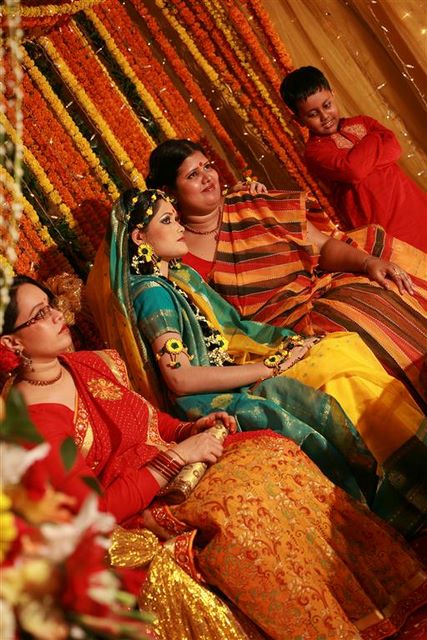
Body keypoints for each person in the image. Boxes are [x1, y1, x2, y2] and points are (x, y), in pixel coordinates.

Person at [2, 275, 427, 640]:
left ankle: (361, 601)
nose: (56, 315)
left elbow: (149, 420)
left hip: (175, 469)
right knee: (239, 507)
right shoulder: (33, 421)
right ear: (10, 342)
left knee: (274, 453)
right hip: (133, 512)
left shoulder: (84, 364)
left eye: (50, 305)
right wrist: (175, 458)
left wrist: (190, 430)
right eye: (40, 314)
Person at [88, 188, 427, 538]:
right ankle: (394, 501)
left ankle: (408, 482)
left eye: (176, 218)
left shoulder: (176, 279)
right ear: (139, 237)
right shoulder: (152, 293)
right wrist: (270, 368)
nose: (179, 227)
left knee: (335, 349)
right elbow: (181, 379)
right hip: (210, 401)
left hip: (232, 374)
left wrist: (281, 352)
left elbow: (232, 332)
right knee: (322, 380)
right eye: (167, 220)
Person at [138, 138, 427, 410]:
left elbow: (323, 245)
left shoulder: (251, 203)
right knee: (346, 332)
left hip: (319, 295)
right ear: (169, 192)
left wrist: (367, 263)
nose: (207, 177)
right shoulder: (174, 251)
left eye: (208, 167)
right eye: (193, 175)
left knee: (376, 299)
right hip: (266, 340)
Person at [280, 66, 427, 252]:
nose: (325, 116)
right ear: (299, 120)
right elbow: (353, 170)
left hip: (414, 206)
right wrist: (374, 138)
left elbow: (395, 149)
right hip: (382, 227)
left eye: (327, 105)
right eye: (313, 114)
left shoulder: (362, 122)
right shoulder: (315, 152)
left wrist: (361, 160)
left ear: (333, 94)